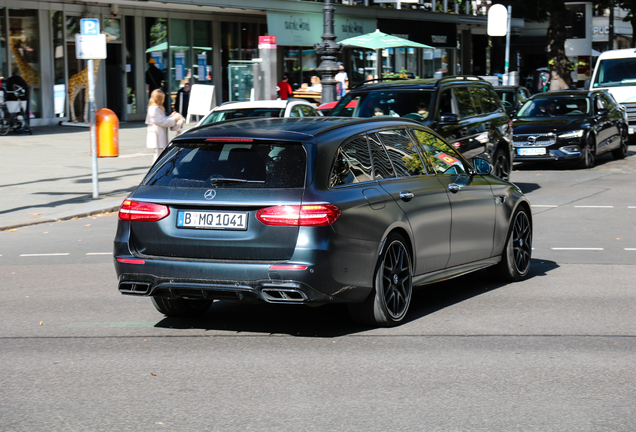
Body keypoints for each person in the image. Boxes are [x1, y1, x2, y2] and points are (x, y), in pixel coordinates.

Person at [146, 88, 179, 161]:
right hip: (157, 136)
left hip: (159, 136)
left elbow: (162, 119)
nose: (163, 101)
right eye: (162, 99)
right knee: (158, 157)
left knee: (160, 155)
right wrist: (174, 119)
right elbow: (161, 121)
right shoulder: (153, 109)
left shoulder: (156, 108)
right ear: (158, 99)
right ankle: (157, 171)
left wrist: (171, 117)